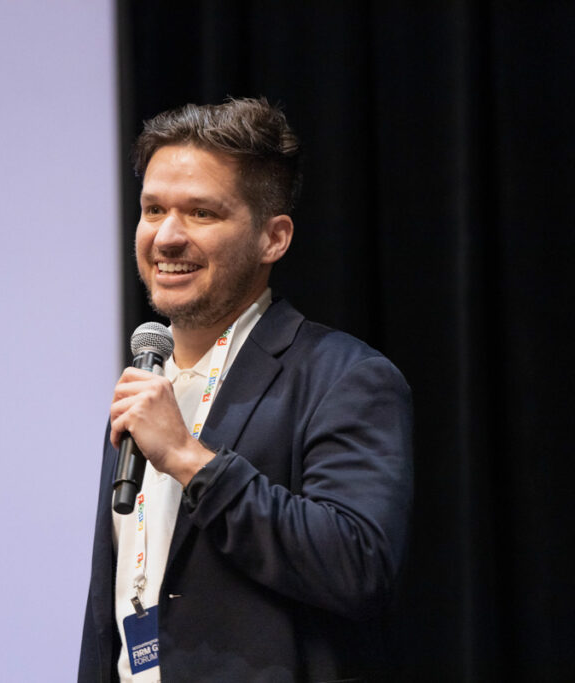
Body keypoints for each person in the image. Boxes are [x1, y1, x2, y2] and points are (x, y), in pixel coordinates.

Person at [79, 97, 413, 682]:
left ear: (273, 238)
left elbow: (355, 564)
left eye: (202, 213)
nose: (167, 236)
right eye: (153, 209)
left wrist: (190, 460)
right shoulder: (146, 386)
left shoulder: (343, 377)